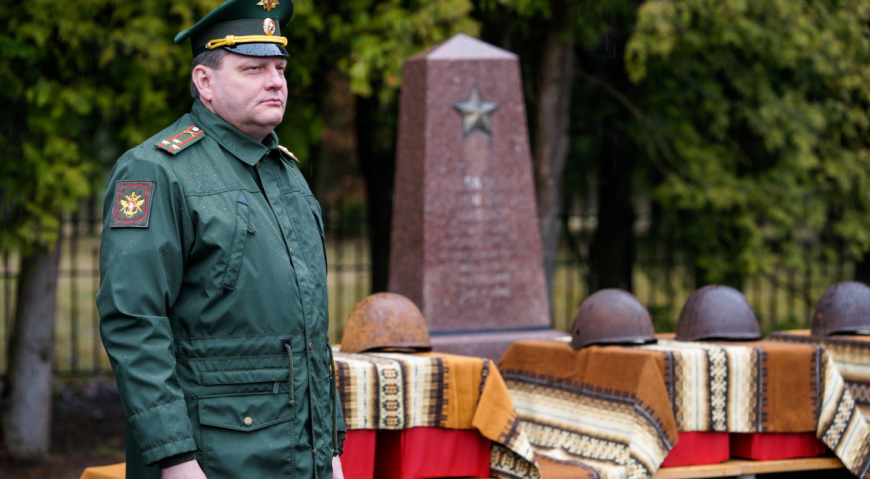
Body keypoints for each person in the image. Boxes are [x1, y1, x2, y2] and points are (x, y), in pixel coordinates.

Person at [96, 1, 345, 478]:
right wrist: (175, 458)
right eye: (252, 68)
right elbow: (133, 323)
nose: (274, 81)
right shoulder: (156, 171)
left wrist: (329, 449)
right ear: (204, 82)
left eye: (279, 67)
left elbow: (311, 334)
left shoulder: (287, 175)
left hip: (300, 458)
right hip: (213, 459)